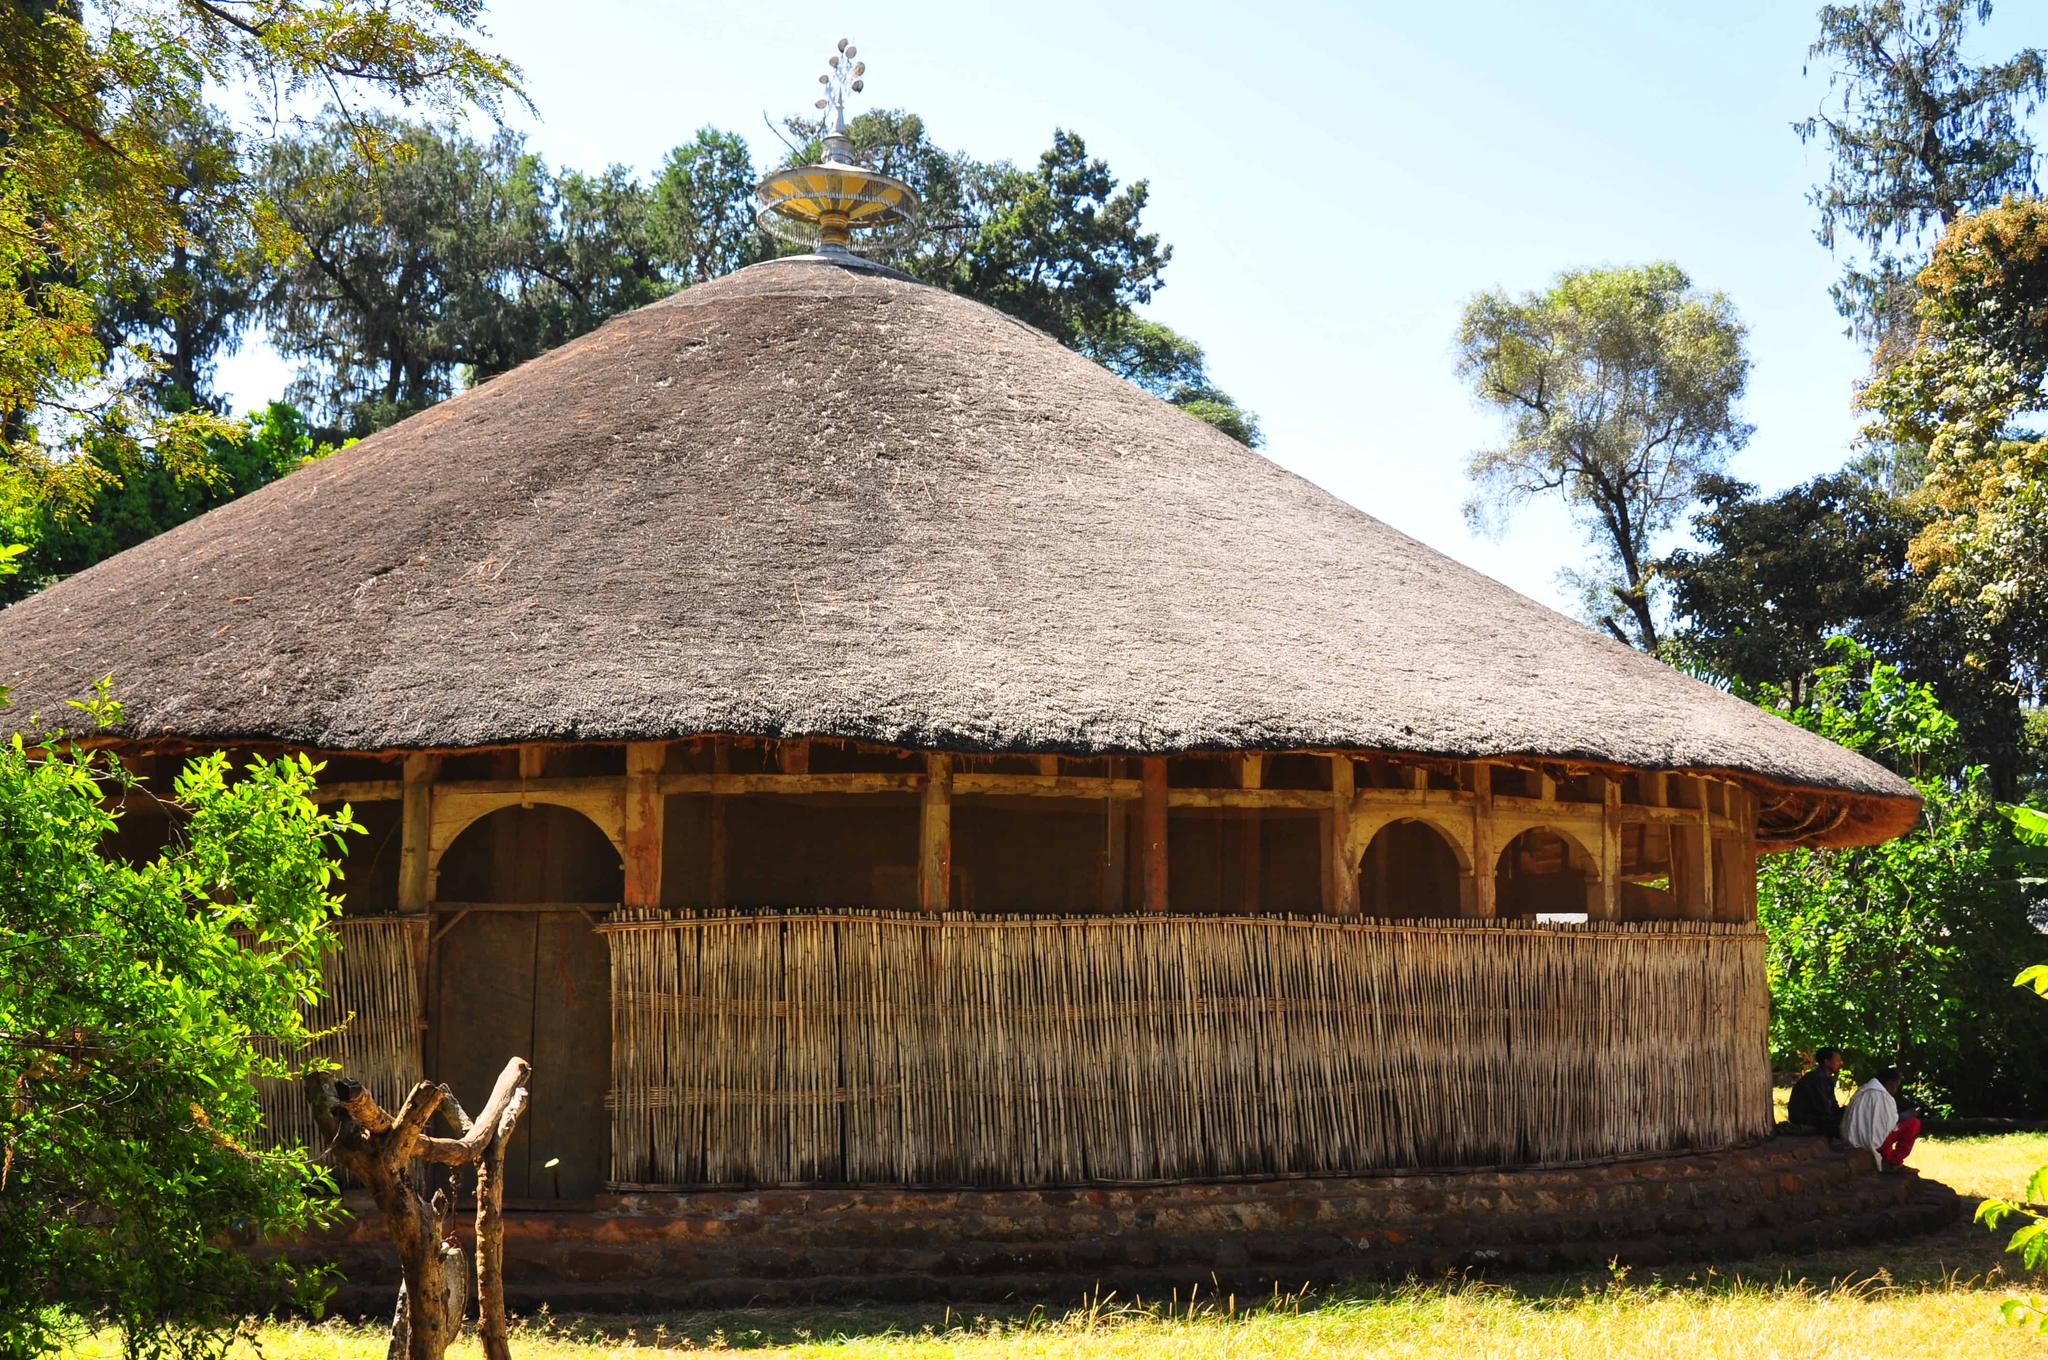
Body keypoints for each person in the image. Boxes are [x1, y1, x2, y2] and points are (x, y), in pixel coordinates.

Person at [1842, 1067, 1921, 1170]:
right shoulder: (1884, 1097)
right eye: (1896, 1085)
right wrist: (1907, 1115)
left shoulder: (1862, 1090)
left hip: (1851, 1138)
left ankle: (1888, 1157)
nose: (1896, 1089)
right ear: (1890, 1083)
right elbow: (1890, 1126)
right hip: (1873, 1142)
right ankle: (1894, 1160)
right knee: (1914, 1124)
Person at [1787, 1047, 1845, 1136]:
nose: (1840, 1063)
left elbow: (1833, 1107)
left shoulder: (1827, 1079)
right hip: (1805, 1119)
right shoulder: (1816, 1079)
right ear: (1826, 1062)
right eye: (1837, 1060)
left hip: (1817, 1116)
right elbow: (1824, 1108)